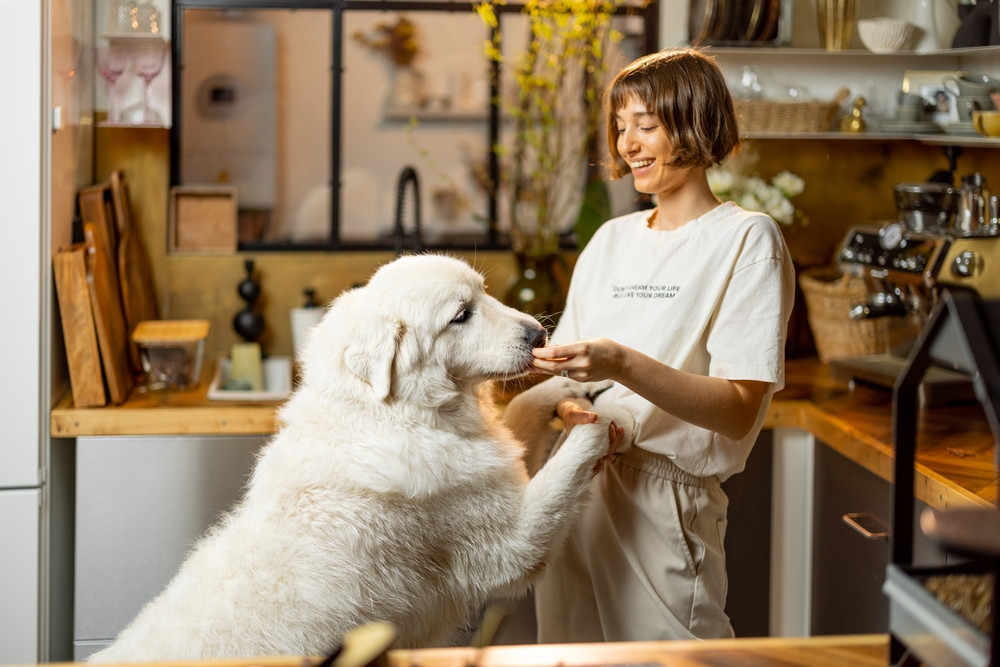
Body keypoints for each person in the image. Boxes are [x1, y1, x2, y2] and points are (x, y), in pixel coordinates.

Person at [505, 47, 796, 642]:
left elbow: (739, 411)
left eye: (647, 125)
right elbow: (571, 380)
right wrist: (570, 410)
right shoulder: (610, 240)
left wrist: (622, 362)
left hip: (663, 505)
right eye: (620, 127)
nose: (628, 144)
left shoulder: (746, 240)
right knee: (570, 657)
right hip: (576, 486)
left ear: (697, 122)